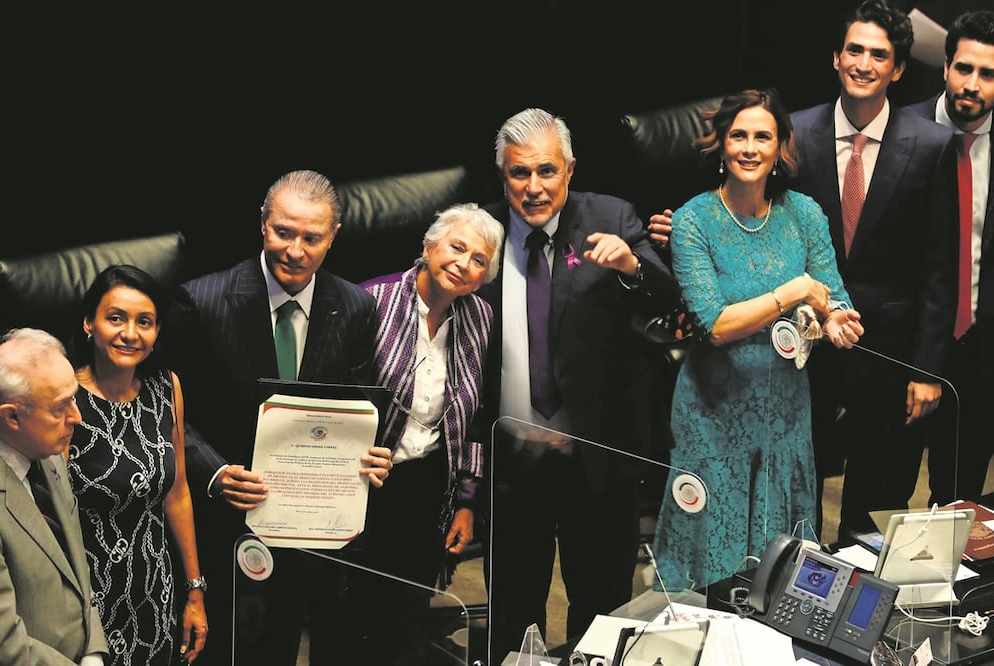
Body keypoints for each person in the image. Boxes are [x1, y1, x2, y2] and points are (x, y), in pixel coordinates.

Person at [651, 0, 956, 540]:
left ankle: (852, 616)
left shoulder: (932, 145)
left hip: (879, 346)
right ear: (836, 58)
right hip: (787, 357)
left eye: (878, 55)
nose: (864, 63)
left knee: (874, 502)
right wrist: (689, 232)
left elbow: (939, 266)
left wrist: (925, 368)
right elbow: (746, 211)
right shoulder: (797, 131)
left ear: (899, 68)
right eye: (854, 50)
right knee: (787, 501)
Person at [475, 107, 684, 664]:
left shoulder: (610, 216)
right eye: (520, 173)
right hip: (514, 470)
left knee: (602, 617)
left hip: (598, 466)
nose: (534, 187)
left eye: (547, 171)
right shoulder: (482, 235)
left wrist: (633, 268)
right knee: (513, 624)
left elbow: (668, 300)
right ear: (502, 176)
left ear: (570, 169)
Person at [166, 169, 393, 665]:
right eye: (283, 232)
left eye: (311, 237)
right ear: (263, 224)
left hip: (318, 527)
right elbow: (171, 414)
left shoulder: (354, 306)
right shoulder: (202, 301)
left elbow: (356, 410)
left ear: (333, 238)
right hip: (232, 527)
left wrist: (372, 455)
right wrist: (217, 472)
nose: (295, 250)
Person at [650, 88, 863, 591]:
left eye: (762, 136)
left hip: (785, 415)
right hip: (712, 416)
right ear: (720, 145)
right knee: (709, 567)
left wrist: (833, 323)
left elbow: (832, 298)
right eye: (738, 135)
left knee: (778, 571)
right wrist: (792, 292)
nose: (749, 147)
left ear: (781, 147)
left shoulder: (805, 214)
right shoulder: (692, 221)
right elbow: (715, 324)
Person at [353, 202, 504, 665]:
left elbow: (476, 418)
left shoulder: (480, 318)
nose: (464, 264)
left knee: (405, 620)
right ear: (428, 247)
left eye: (479, 260)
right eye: (457, 248)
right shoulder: (369, 301)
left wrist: (466, 501)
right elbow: (333, 396)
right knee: (353, 619)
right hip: (362, 484)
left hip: (428, 488)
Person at [904, 9, 994, 506]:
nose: (972, 84)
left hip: (982, 346)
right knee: (880, 490)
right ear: (944, 67)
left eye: (988, 74)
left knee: (958, 502)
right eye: (963, 68)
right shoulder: (901, 130)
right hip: (905, 342)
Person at [65, 264, 207, 665]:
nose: (131, 333)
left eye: (144, 321)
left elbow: (177, 492)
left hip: (154, 593)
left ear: (157, 331)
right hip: (86, 601)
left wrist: (195, 590)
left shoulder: (166, 386)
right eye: (115, 318)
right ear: (89, 324)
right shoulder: (64, 397)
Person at [0, 328, 109, 665]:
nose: (77, 417)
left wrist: (95, 651)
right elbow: (0, 645)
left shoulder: (46, 449)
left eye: (74, 397)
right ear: (11, 416)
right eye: (59, 407)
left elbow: (76, 566)